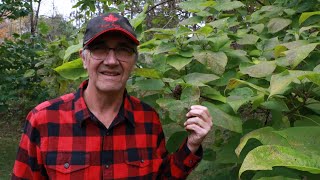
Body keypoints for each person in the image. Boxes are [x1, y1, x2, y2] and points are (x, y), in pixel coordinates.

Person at [12, 13, 213, 180]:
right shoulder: (44, 119)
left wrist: (191, 145)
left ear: (134, 61)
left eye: (123, 50)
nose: (111, 61)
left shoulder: (148, 119)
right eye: (99, 49)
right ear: (84, 58)